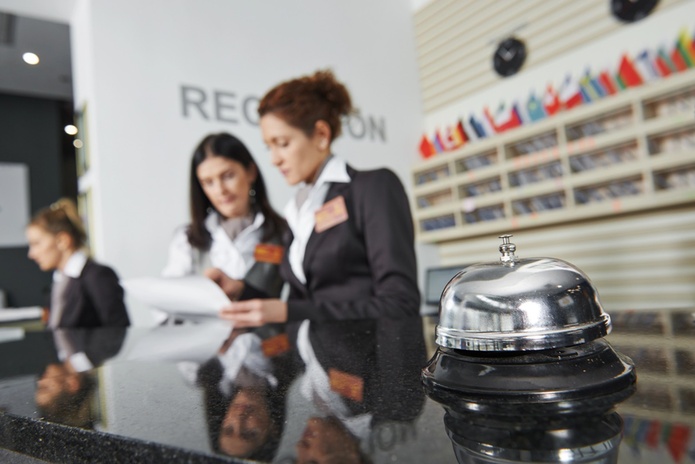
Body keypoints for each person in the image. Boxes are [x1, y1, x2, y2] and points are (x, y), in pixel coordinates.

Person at [217, 69, 420, 326]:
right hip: (313, 362)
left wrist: (290, 313)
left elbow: (400, 303)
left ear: (321, 136)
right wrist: (238, 290)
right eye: (269, 147)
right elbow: (301, 296)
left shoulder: (373, 187)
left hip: (367, 362)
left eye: (282, 143)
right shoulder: (296, 210)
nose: (274, 159)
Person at [162, 132, 287, 301]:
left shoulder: (284, 233)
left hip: (268, 328)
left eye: (228, 176)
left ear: (250, 172)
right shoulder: (187, 238)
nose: (220, 190)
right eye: (208, 182)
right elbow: (169, 300)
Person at [26, 198, 130, 328]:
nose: (31, 254)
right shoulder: (60, 281)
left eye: (36, 244)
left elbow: (118, 331)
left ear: (62, 241)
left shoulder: (97, 276)